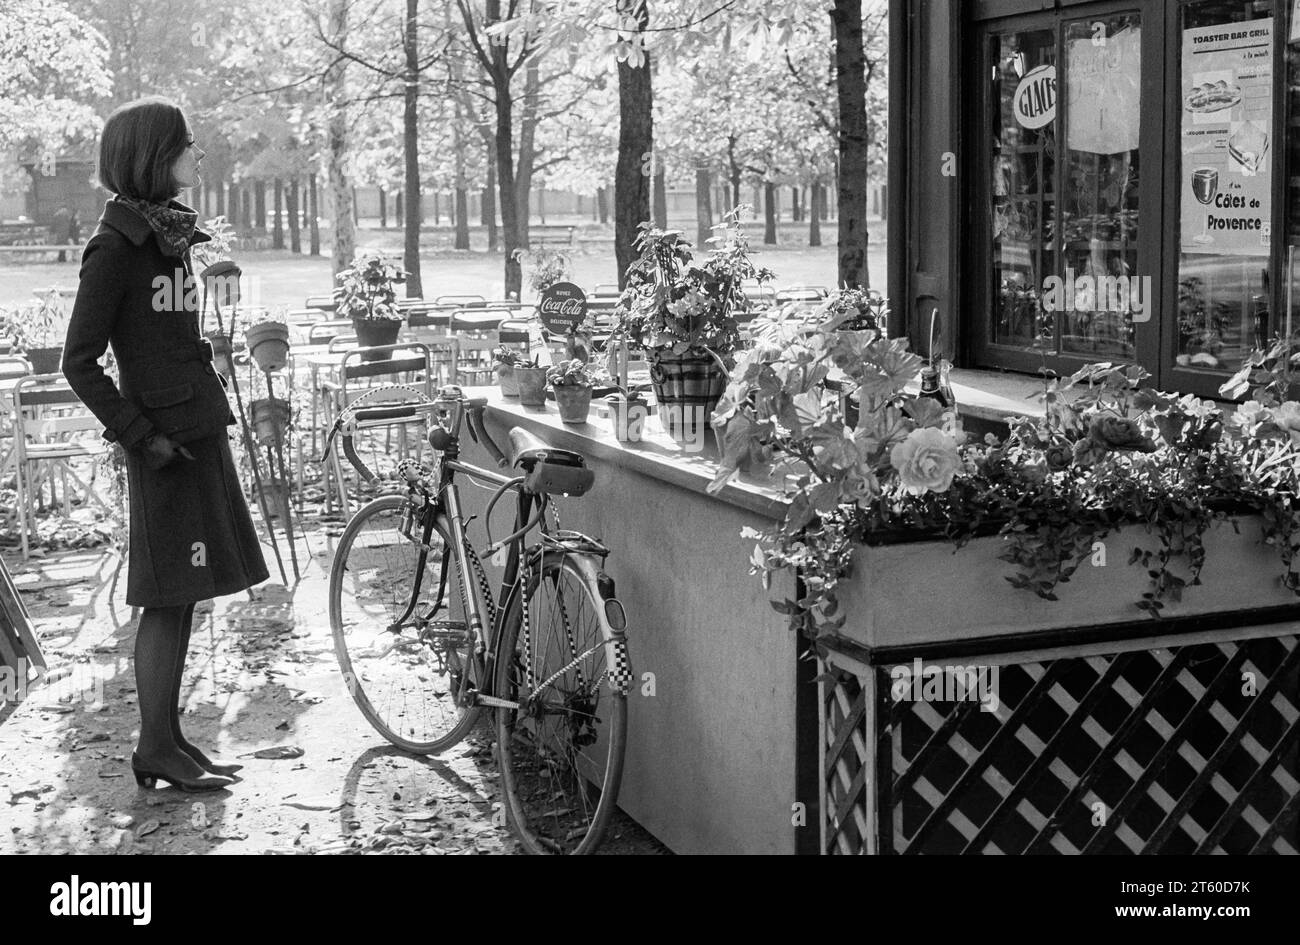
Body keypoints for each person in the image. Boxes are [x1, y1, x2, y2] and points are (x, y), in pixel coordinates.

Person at [63, 97, 269, 793]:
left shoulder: (166, 238)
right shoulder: (115, 248)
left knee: (184, 593)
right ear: (154, 155)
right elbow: (80, 361)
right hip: (163, 448)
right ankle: (154, 746)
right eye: (186, 144)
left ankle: (172, 740)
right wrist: (140, 436)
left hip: (193, 434)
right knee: (164, 595)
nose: (197, 154)